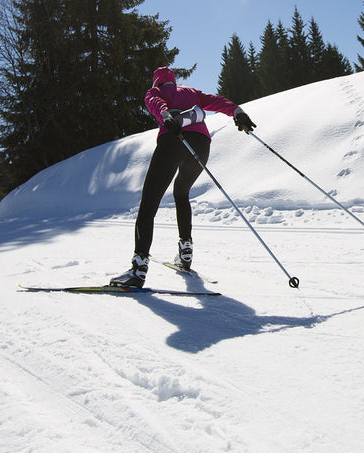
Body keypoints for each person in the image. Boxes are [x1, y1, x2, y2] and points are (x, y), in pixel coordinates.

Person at [110, 66, 256, 287]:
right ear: (173, 80)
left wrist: (166, 116)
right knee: (181, 192)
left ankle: (138, 269)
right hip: (201, 145)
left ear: (156, 81)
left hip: (173, 140)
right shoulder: (191, 92)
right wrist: (238, 112)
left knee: (149, 203)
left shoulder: (154, 92)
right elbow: (217, 101)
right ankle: (185, 254)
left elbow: (157, 105)